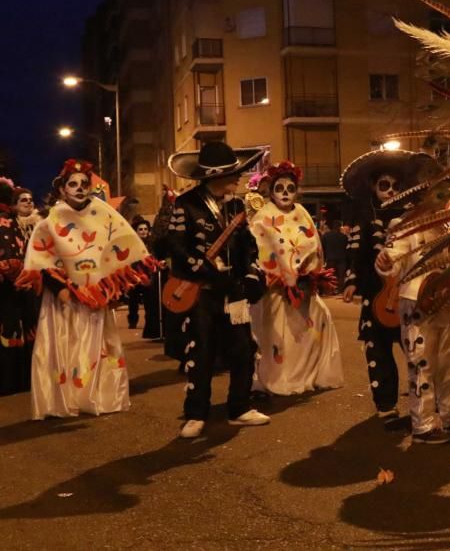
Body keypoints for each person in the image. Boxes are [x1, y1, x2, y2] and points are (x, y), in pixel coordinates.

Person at [17, 160, 156, 419]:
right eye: (73, 184)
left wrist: (114, 288)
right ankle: (66, 399)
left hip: (95, 295)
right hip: (64, 298)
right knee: (65, 345)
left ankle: (99, 396)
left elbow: (116, 248)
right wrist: (60, 288)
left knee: (97, 345)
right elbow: (42, 259)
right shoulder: (48, 223)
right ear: (62, 189)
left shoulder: (103, 215)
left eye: (84, 184)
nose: (80, 188)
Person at [166, 142, 269, 439]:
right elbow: (176, 246)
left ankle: (240, 408)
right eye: (233, 174)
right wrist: (205, 269)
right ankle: (196, 413)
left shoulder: (237, 206)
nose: (238, 179)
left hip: (233, 291)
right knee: (202, 352)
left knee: (243, 349)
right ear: (215, 176)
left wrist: (251, 272)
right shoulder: (186, 204)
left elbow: (248, 245)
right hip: (202, 291)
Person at [341, 149, 439, 428]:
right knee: (378, 351)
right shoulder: (365, 217)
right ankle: (385, 405)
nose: (390, 191)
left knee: (417, 350)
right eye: (384, 185)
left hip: (409, 294)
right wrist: (351, 282)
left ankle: (425, 405)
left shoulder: (412, 215)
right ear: (374, 186)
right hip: (376, 295)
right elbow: (356, 254)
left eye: (396, 186)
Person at [376, 189, 450, 444]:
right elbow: (393, 258)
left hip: (441, 300)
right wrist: (386, 261)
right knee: (421, 363)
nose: (439, 200)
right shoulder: (403, 224)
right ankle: (422, 424)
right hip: (416, 302)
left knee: (449, 361)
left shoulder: (444, 225)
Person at [248, 161, 344, 395]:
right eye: (279, 188)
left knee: (313, 326)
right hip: (275, 291)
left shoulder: (302, 213)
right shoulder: (263, 216)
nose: (285, 194)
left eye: (290, 189)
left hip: (304, 287)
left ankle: (307, 373)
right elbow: (260, 248)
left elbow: (314, 244)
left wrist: (310, 272)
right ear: (271, 191)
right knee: (280, 338)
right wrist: (277, 274)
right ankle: (280, 376)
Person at [0, 179, 33, 395]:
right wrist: (18, 274)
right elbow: (7, 256)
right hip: (9, 288)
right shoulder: (5, 223)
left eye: (31, 200)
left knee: (23, 330)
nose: (28, 204)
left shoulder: (25, 225)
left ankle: (21, 378)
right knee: (9, 330)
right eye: (22, 200)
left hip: (24, 288)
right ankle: (9, 381)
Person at [321, 219, 348, 295]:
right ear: (339, 227)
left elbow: (323, 247)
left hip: (330, 258)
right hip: (341, 258)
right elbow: (346, 247)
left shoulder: (326, 235)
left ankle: (329, 290)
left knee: (330, 275)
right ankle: (340, 291)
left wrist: (324, 258)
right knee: (341, 276)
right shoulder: (344, 237)